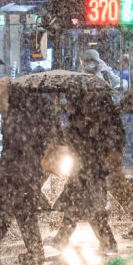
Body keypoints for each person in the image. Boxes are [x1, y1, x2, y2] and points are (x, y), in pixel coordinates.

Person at [0, 83, 52, 265]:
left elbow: (17, 145)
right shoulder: (34, 112)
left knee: (17, 210)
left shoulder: (16, 115)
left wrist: (16, 174)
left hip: (16, 172)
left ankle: (33, 252)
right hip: (24, 171)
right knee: (10, 209)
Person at [50, 94, 121, 253]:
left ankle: (107, 242)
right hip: (89, 172)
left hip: (85, 173)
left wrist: (58, 124)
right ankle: (63, 239)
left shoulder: (80, 125)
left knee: (86, 209)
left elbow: (67, 141)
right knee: (83, 208)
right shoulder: (94, 124)